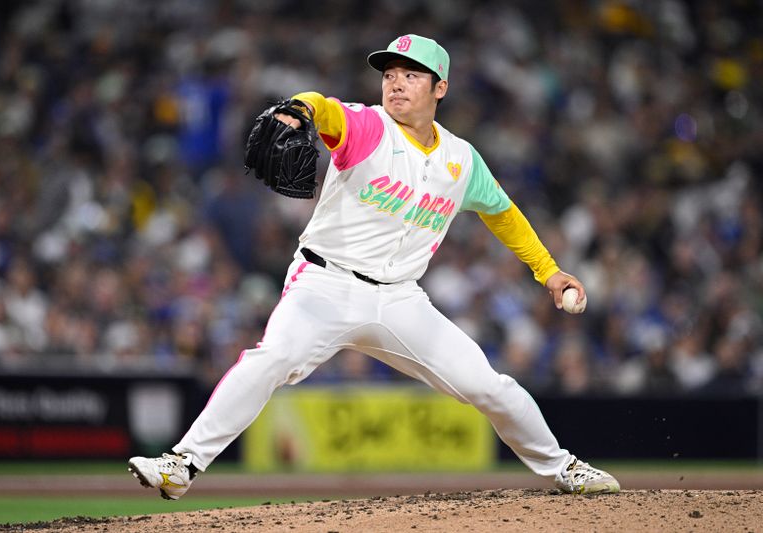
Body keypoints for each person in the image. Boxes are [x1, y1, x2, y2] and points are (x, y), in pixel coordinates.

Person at [128, 34, 620, 500]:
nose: (396, 82)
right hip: (324, 283)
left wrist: (549, 272)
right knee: (273, 358)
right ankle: (182, 464)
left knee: (487, 384)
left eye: (411, 74)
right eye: (390, 74)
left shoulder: (462, 161)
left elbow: (503, 215)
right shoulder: (367, 126)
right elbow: (323, 107)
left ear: (440, 87)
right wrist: (300, 108)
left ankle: (564, 467)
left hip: (401, 299)